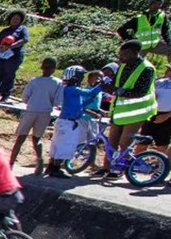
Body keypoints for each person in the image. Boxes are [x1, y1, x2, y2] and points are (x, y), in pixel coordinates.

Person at [96, 40, 157, 178]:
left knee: (125, 143)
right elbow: (116, 85)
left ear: (135, 53)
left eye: (124, 54)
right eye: (120, 54)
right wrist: (107, 85)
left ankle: (119, 170)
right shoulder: (123, 66)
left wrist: (117, 91)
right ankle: (106, 167)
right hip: (120, 111)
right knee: (112, 141)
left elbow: (140, 92)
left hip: (137, 111)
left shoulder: (146, 68)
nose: (121, 57)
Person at [47, 65, 103, 177]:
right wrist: (103, 85)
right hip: (69, 122)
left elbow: (80, 105)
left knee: (57, 144)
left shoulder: (68, 90)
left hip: (64, 121)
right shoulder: (73, 89)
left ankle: (51, 167)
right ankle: (56, 169)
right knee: (65, 145)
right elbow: (89, 93)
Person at [9, 57, 62, 175]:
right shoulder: (58, 83)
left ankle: (10, 164)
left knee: (20, 139)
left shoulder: (34, 81)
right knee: (36, 138)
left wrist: (32, 102)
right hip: (45, 112)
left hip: (31, 111)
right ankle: (39, 161)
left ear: (42, 68)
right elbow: (58, 101)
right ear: (54, 69)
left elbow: (25, 97)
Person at [0, 11, 30, 102]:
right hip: (0, 56)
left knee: (9, 74)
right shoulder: (5, 30)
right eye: (13, 18)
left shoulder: (22, 29)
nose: (15, 20)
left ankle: (5, 95)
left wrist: (11, 46)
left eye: (17, 19)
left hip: (13, 56)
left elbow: (24, 39)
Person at [140, 64, 171, 155]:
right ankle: (136, 163)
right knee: (142, 143)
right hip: (152, 114)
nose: (167, 71)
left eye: (169, 69)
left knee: (162, 145)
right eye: (168, 69)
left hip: (167, 117)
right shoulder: (158, 82)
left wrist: (167, 115)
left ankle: (160, 166)